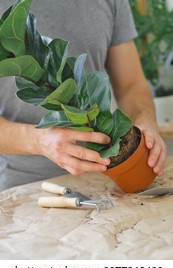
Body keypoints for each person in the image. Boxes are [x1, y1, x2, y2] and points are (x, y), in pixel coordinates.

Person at [0, 0, 167, 191]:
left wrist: (145, 121)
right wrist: (39, 140)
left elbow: (131, 84)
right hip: (26, 191)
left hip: (106, 185)